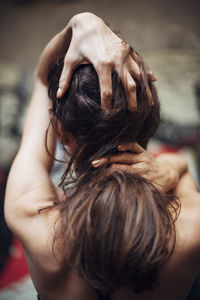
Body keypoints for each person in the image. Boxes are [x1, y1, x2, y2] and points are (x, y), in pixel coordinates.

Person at [4, 12, 200, 300]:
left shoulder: (29, 212)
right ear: (149, 120)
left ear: (61, 132)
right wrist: (172, 167)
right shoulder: (190, 226)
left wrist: (81, 23)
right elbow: (183, 168)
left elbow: (40, 80)